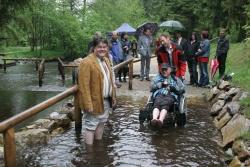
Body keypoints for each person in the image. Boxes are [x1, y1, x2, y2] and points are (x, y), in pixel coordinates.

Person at [78, 37, 117, 145]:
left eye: (104, 47)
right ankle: (89, 152)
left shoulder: (106, 60)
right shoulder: (87, 62)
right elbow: (83, 86)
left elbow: (111, 80)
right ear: (93, 48)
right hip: (94, 101)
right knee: (91, 126)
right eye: (99, 47)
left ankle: (98, 147)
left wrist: (113, 97)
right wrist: (88, 104)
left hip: (106, 100)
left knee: (101, 123)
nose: (102, 49)